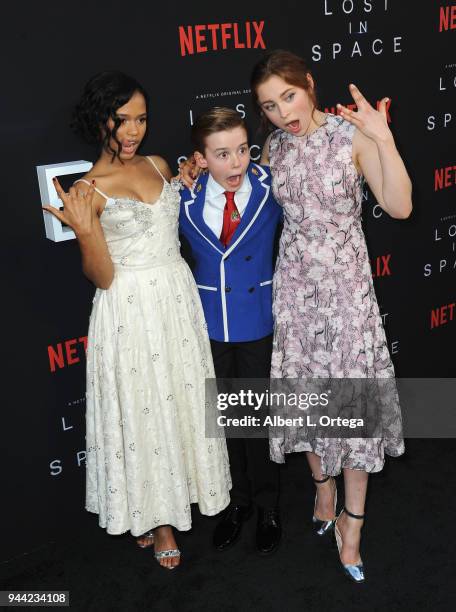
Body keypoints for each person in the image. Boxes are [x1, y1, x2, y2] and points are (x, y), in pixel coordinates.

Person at [43, 71, 231, 570]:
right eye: (121, 119)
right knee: (143, 406)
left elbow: (171, 221)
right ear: (98, 118)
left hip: (175, 296)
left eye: (141, 119)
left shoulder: (158, 163)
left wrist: (186, 178)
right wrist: (85, 230)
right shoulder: (88, 189)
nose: (133, 131)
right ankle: (159, 520)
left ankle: (180, 496)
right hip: (127, 307)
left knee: (178, 399)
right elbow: (101, 276)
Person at [250, 50, 412, 582]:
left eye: (289, 96)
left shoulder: (351, 136)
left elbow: (400, 206)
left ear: (310, 84)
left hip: (346, 293)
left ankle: (354, 524)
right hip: (295, 292)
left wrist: (382, 138)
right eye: (269, 106)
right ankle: (323, 493)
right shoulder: (273, 147)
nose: (282, 113)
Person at [178, 107, 283, 554]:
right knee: (226, 421)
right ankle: (238, 503)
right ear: (201, 158)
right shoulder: (182, 196)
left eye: (242, 150)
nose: (235, 163)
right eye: (221, 154)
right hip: (210, 321)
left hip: (257, 319)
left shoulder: (271, 187)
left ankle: (269, 508)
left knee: (256, 421)